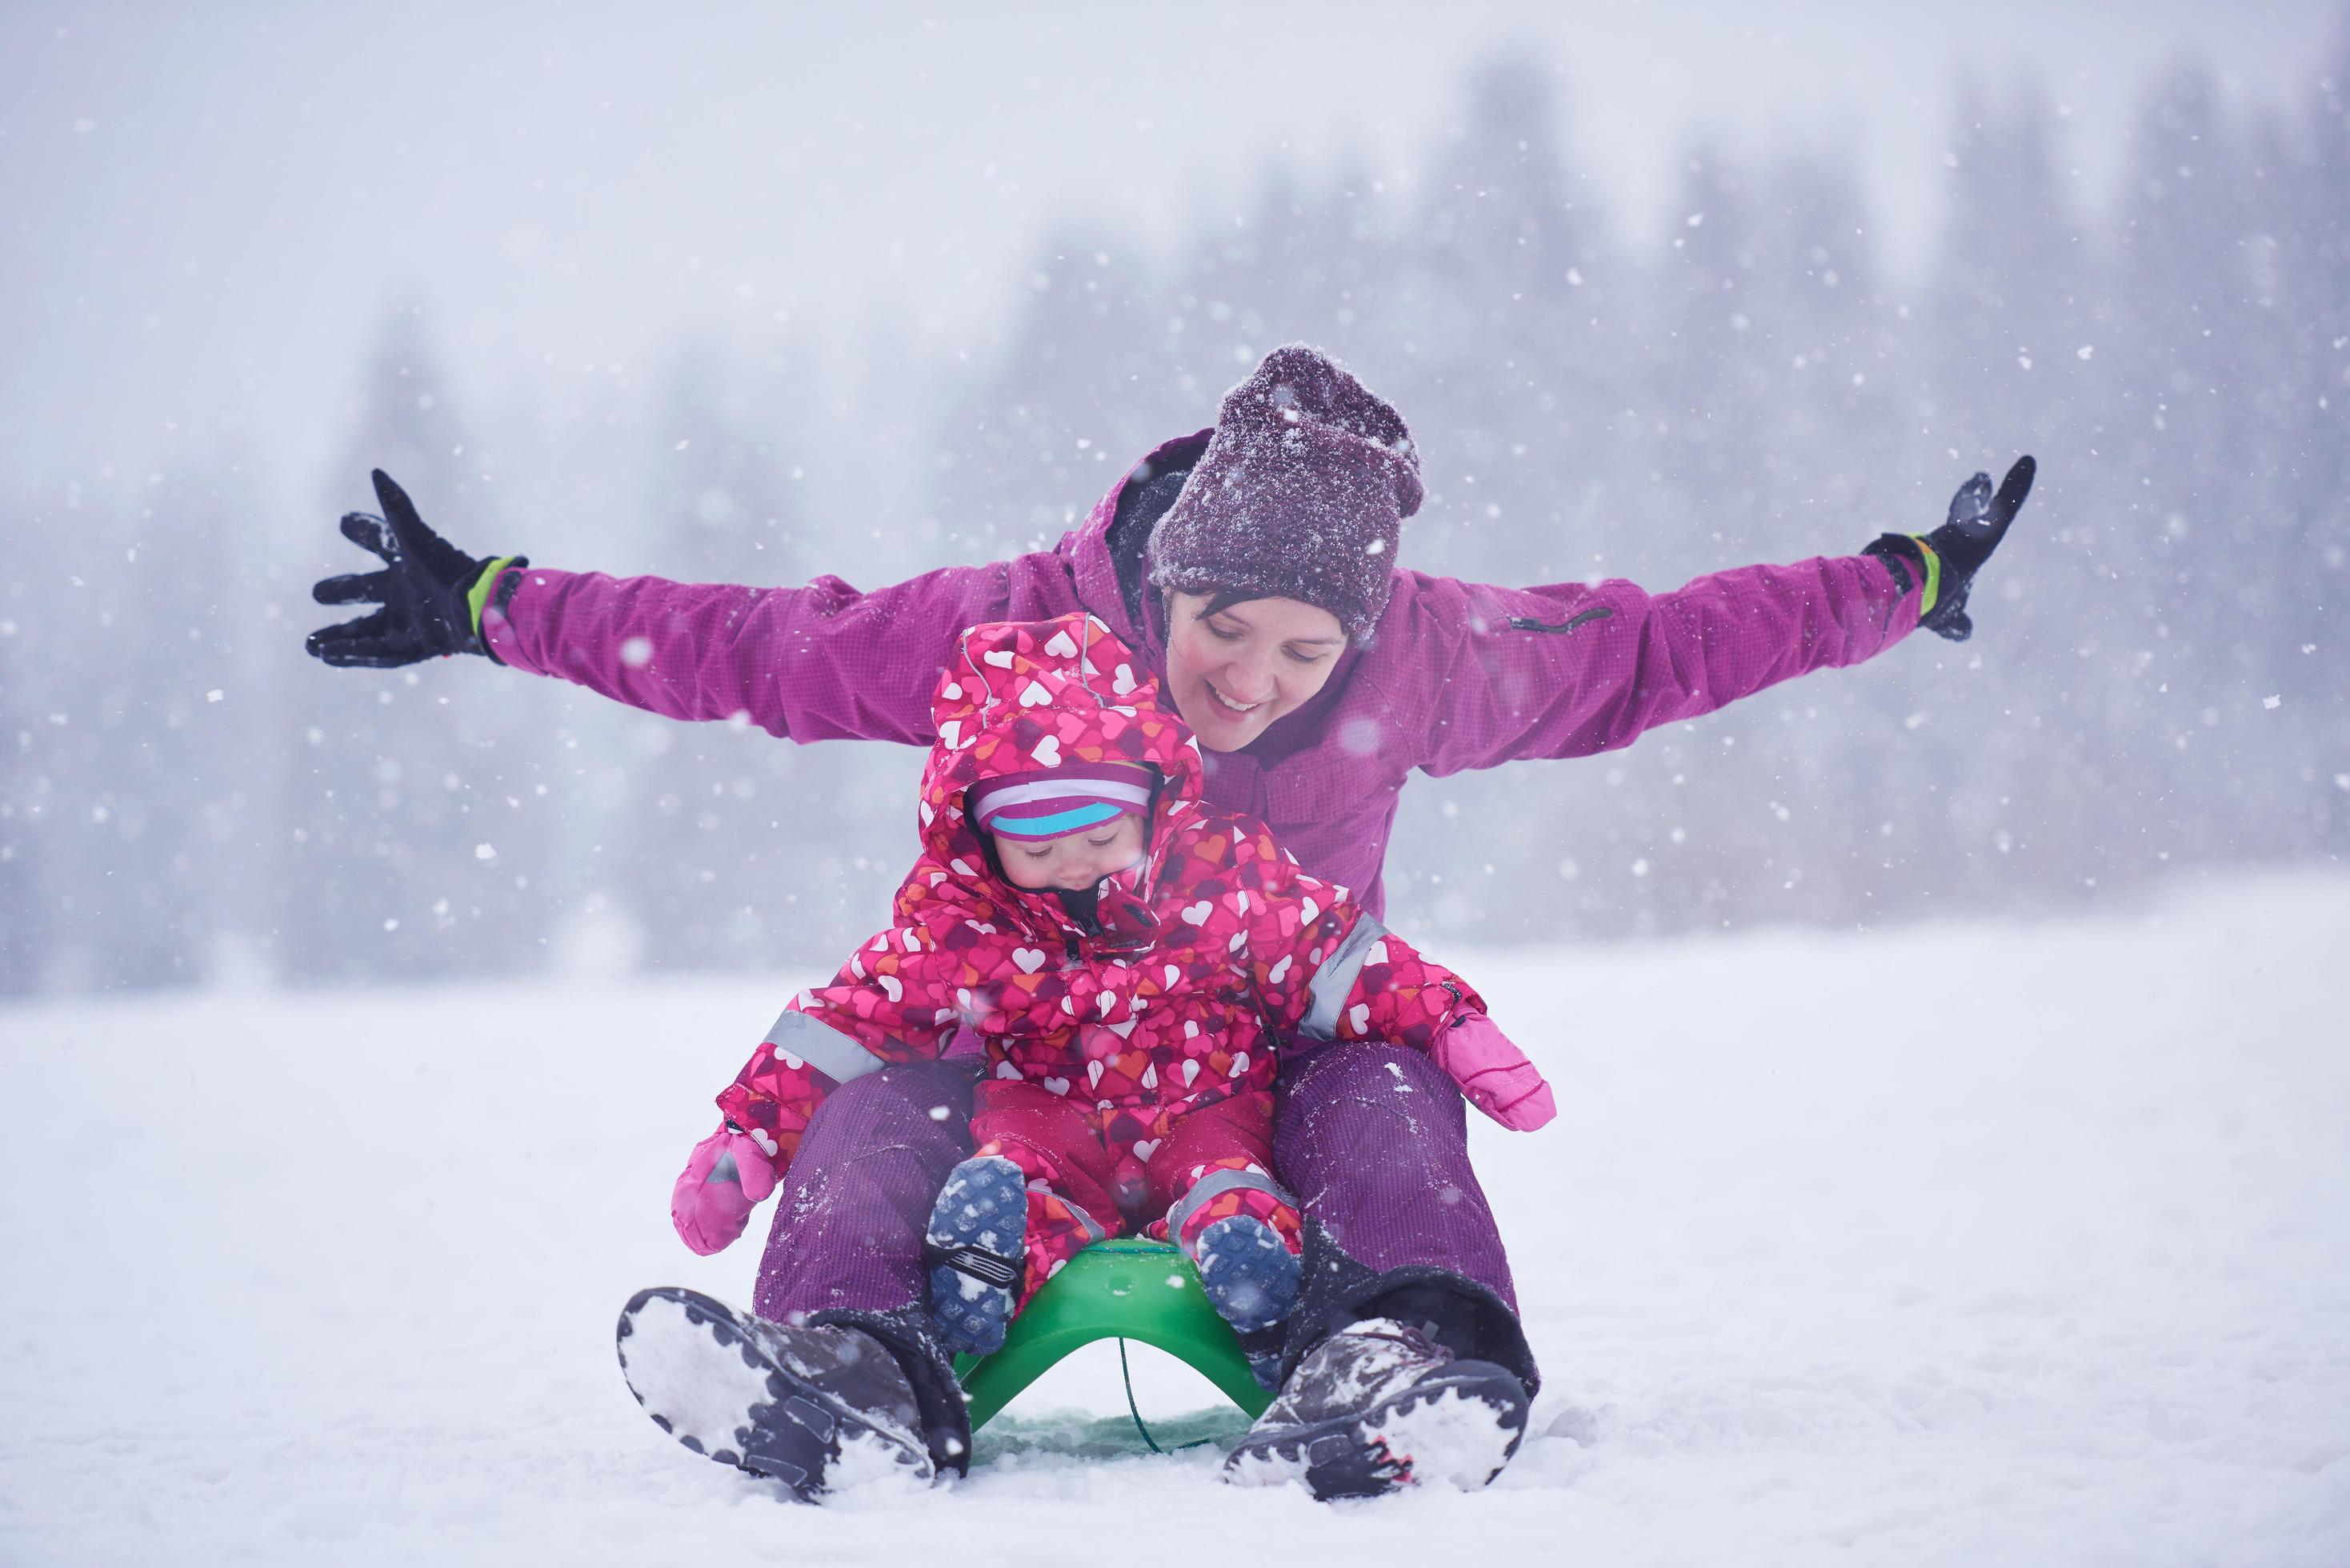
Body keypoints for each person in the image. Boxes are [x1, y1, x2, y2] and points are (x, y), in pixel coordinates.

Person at [310, 343, 2034, 1501]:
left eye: (1306, 653)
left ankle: (1400, 1356)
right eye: (1224, 630)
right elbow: (771, 647)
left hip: (1268, 1069)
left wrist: (1900, 581)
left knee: (1386, 1087)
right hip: (1022, 1070)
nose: (1254, 681)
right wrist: (497, 605)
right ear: (1165, 578)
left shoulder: (1426, 655)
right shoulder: (1015, 631)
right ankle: (846, 1368)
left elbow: (1654, 650)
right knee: (877, 1096)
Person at [663, 610, 1551, 1416]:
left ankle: (1394, 1350)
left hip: (1211, 1111)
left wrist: (1450, 1023)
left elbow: (1333, 953)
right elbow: (849, 1019)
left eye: (1100, 837)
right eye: (1039, 847)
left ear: (1153, 802)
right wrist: (749, 1134)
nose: (1076, 867)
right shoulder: (961, 920)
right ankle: (854, 1360)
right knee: (969, 1157)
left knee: (1336, 1113)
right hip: (1041, 1124)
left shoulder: (1217, 876)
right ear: (979, 837)